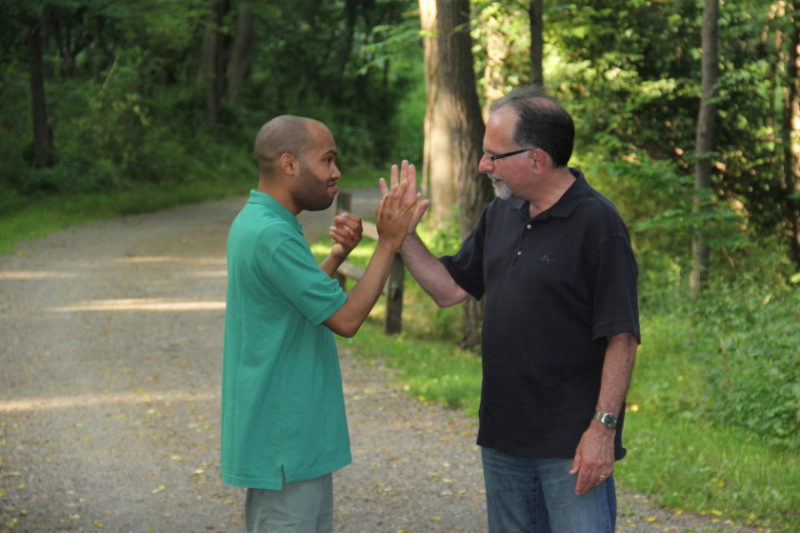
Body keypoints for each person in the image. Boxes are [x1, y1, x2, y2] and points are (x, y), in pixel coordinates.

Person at [381, 85, 640, 532]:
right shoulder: (500, 213)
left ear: (536, 159)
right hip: (502, 441)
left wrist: (603, 430)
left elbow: (622, 335)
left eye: (493, 155)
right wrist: (401, 235)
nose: (483, 166)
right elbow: (448, 290)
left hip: (571, 447)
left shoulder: (599, 225)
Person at [221, 115, 418, 533]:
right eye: (327, 160)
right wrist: (388, 242)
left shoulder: (260, 221)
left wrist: (336, 258)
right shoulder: (272, 235)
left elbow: (293, 305)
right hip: (285, 440)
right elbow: (346, 320)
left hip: (280, 437)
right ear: (289, 165)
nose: (337, 173)